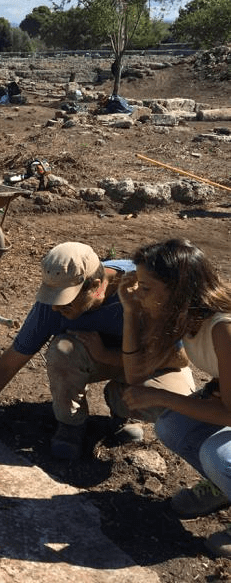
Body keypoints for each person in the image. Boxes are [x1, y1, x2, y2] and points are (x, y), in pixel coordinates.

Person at [0, 241, 195, 460]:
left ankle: (120, 404)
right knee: (62, 350)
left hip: (147, 361)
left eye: (66, 301)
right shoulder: (51, 305)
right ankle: (71, 423)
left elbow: (179, 357)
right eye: (53, 299)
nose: (57, 308)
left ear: (96, 285)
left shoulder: (142, 288)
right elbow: (8, 363)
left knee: (178, 405)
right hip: (97, 359)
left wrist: (108, 356)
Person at [120, 238, 231, 557]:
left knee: (215, 453)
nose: (138, 294)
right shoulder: (187, 318)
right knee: (173, 427)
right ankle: (224, 487)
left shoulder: (223, 327)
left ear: (178, 289)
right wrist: (130, 312)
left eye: (146, 287)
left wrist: (163, 397)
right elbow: (135, 375)